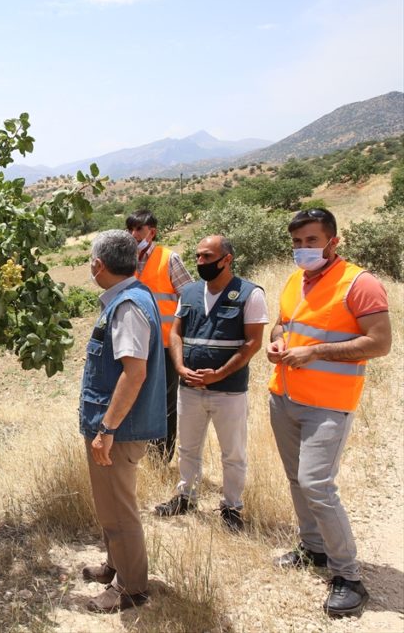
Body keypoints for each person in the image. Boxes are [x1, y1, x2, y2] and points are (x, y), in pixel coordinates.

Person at [267, 208, 391, 618]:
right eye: (297, 242)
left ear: (332, 242)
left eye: (311, 241)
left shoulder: (359, 283)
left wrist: (316, 352)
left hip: (329, 403)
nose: (302, 249)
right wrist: (278, 341)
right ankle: (313, 549)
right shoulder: (295, 280)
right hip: (285, 396)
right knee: (297, 481)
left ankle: (349, 577)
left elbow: (379, 343)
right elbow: (282, 324)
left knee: (316, 484)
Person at [78, 229, 167, 613]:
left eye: (90, 261)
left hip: (118, 431)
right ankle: (115, 566)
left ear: (99, 264)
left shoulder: (127, 306)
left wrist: (107, 430)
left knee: (118, 509)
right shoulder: (133, 296)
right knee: (109, 504)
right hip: (116, 428)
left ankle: (131, 588)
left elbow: (134, 374)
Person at [154, 235, 267, 530]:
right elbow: (175, 333)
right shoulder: (189, 292)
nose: (201, 262)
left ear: (226, 259)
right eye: (198, 256)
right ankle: (186, 497)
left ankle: (232, 507)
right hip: (190, 388)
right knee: (188, 448)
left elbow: (253, 342)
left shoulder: (249, 294)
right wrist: (180, 367)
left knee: (233, 453)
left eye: (207, 257)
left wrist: (219, 374)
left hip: (228, 391)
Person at [127, 209, 194, 463]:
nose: (133, 234)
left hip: (165, 346)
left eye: (139, 229)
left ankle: (161, 459)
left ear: (152, 232)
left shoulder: (169, 258)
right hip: (134, 346)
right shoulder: (125, 262)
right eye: (130, 229)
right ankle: (140, 456)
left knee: (165, 403)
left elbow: (190, 298)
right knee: (136, 399)